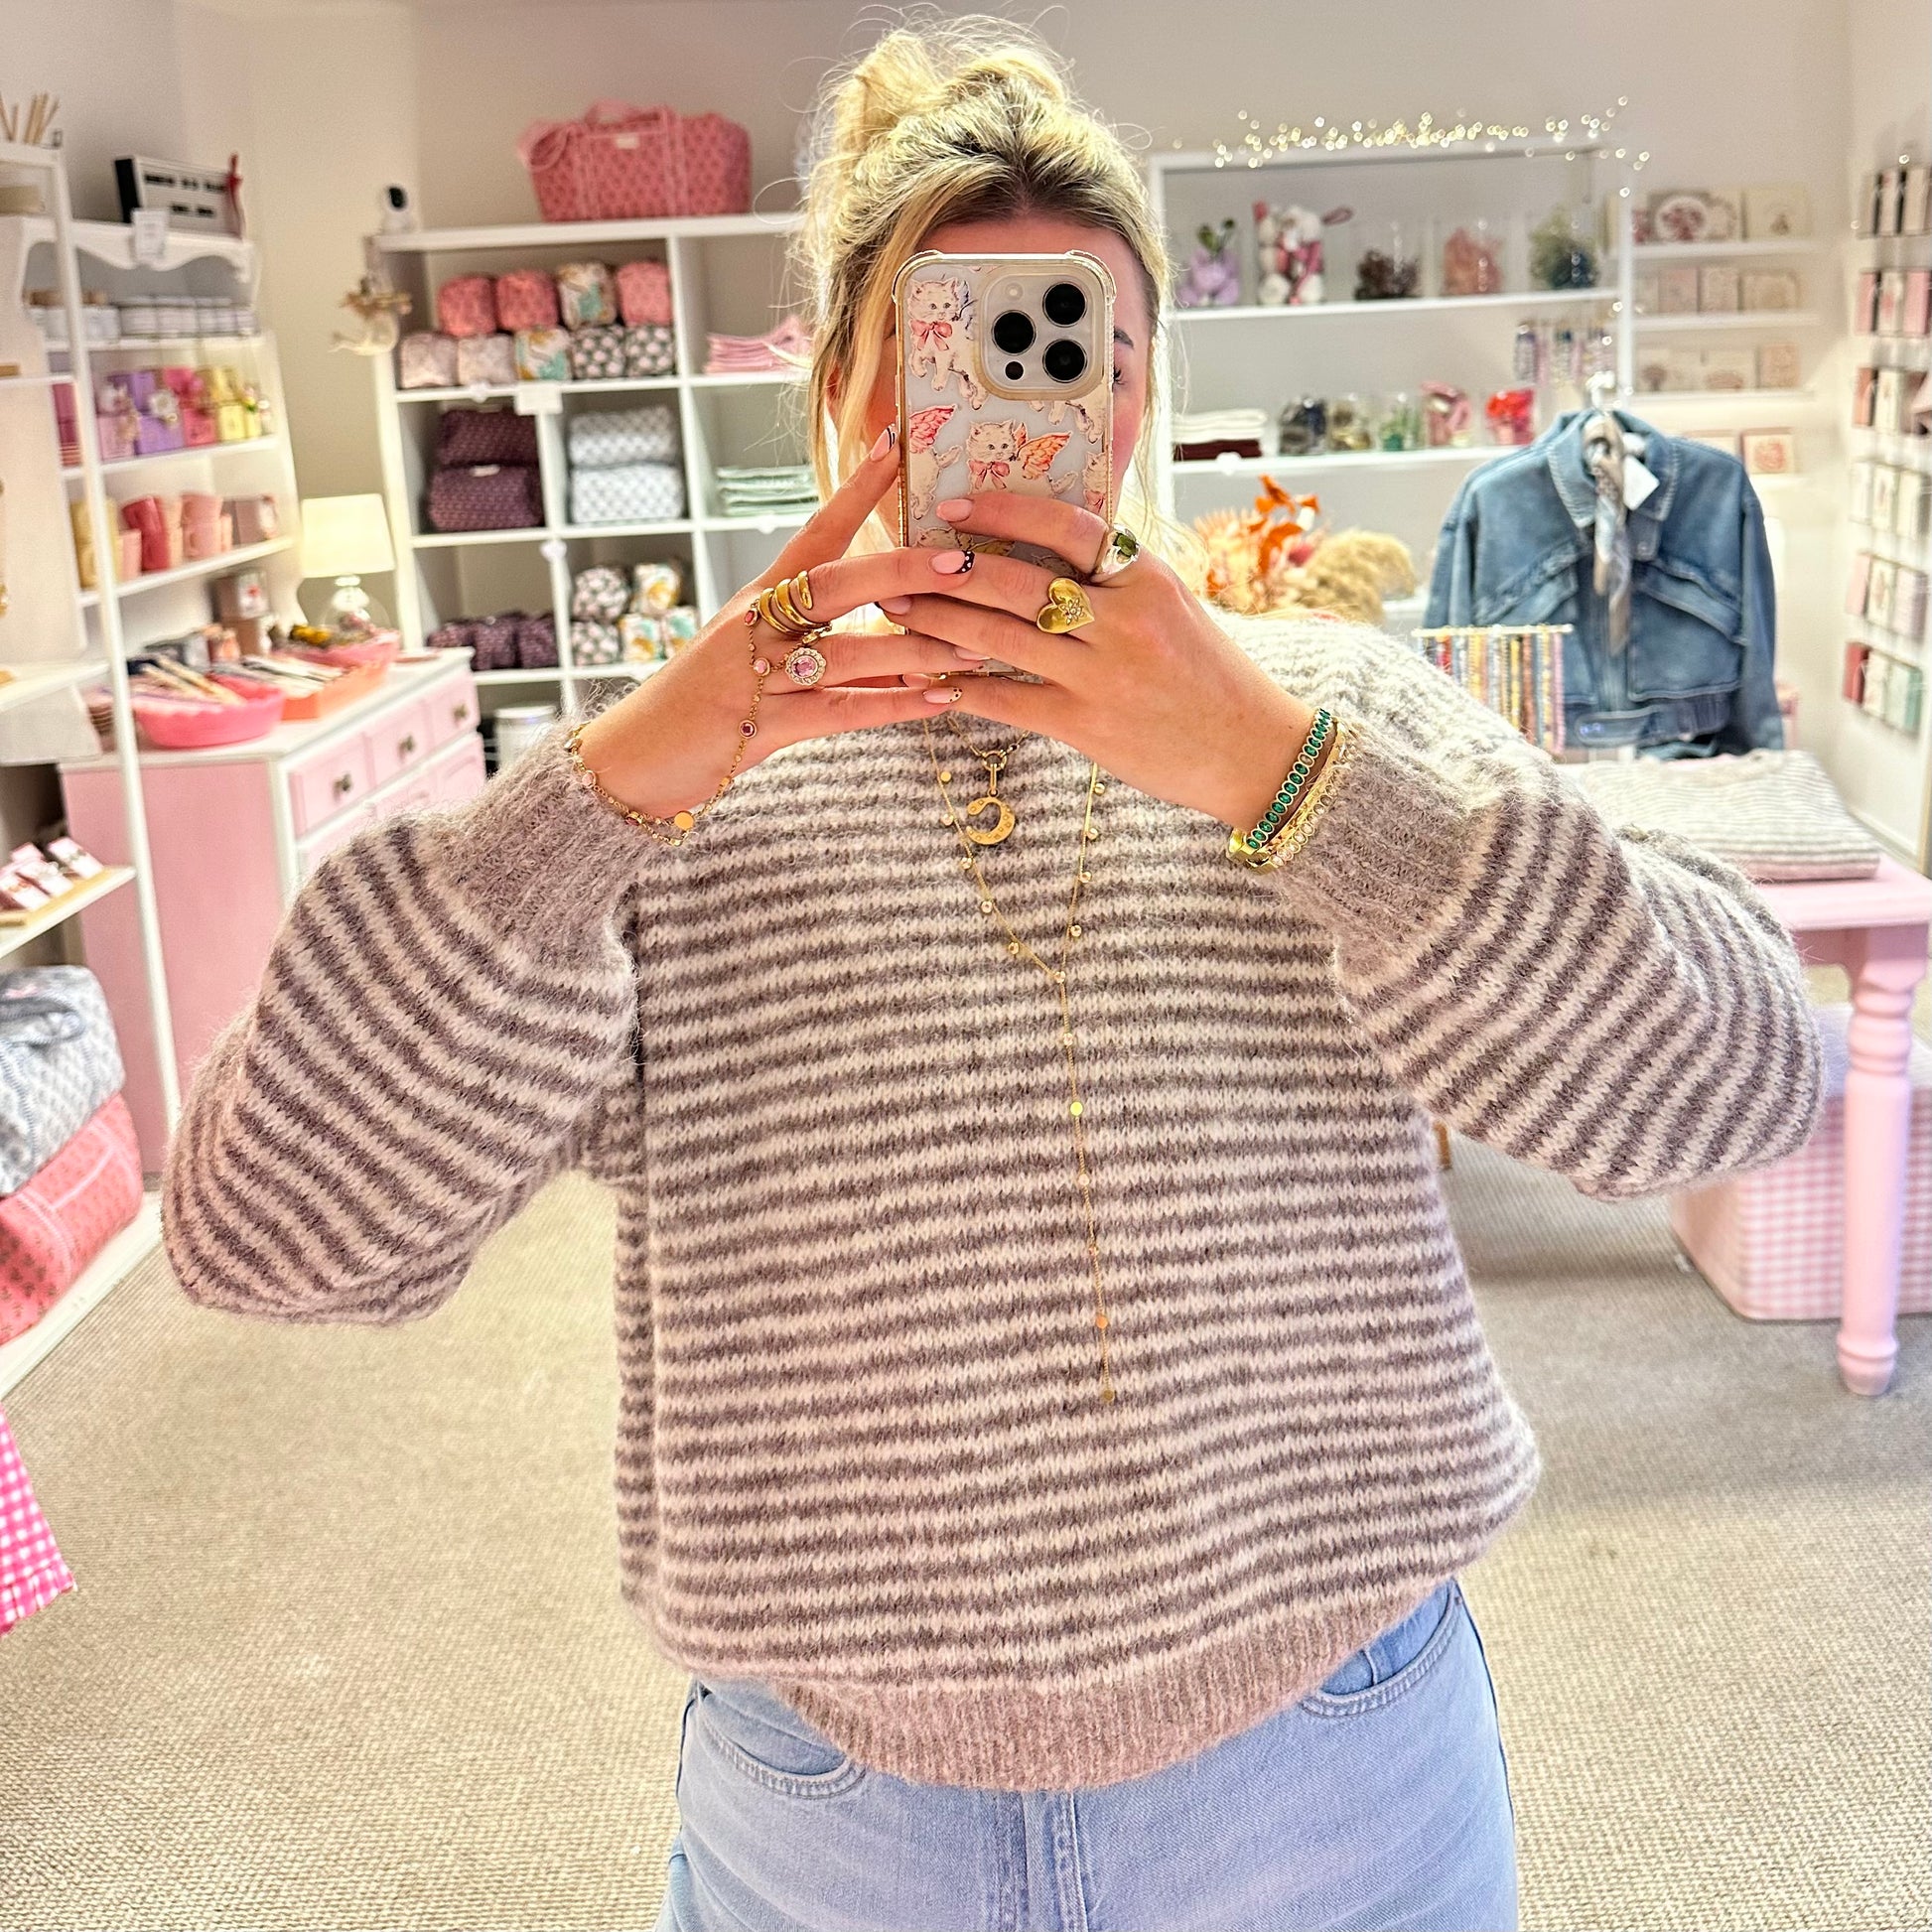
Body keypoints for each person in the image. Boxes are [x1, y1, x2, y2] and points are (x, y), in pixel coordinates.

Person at [162, 17, 1825, 1931]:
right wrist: (600, 795)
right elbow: (264, 1234)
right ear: (843, 388)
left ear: (1138, 388)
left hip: (1332, 1766)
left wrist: (1287, 782)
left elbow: (1742, 1081)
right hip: (835, 1811)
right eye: (957, 344)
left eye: (1079, 342)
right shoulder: (669, 795)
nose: (1032, 392)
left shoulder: (1323, 715)